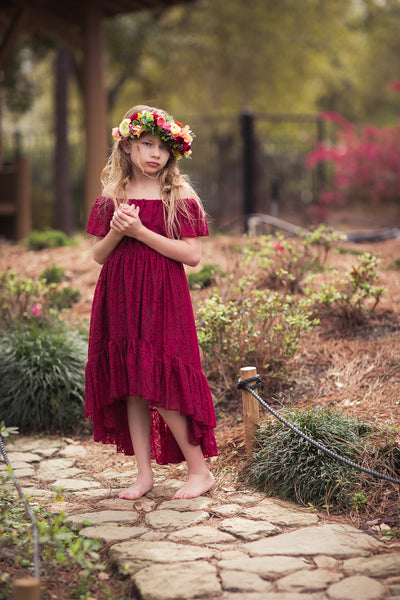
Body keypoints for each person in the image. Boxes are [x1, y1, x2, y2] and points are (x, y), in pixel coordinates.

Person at [85, 104, 218, 500]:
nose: (155, 153)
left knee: (163, 377)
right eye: (146, 144)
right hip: (121, 295)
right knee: (132, 384)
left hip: (163, 296)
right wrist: (116, 230)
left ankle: (200, 471)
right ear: (127, 146)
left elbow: (192, 256)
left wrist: (140, 231)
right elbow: (99, 254)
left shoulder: (178, 194)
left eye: (163, 147)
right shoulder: (113, 196)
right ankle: (144, 475)